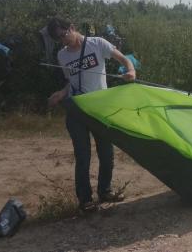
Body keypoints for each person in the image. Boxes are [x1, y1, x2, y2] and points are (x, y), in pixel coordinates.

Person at [46, 16, 136, 212]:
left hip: (101, 110)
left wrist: (130, 71)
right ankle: (85, 200)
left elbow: (123, 59)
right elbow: (72, 82)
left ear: (72, 27)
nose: (64, 40)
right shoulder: (62, 56)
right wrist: (61, 93)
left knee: (106, 154)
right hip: (77, 110)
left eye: (64, 35)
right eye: (59, 39)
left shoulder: (98, 44)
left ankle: (105, 191)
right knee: (83, 156)